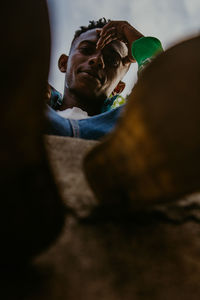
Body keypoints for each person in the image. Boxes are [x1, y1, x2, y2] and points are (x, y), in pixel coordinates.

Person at [45, 19, 163, 140]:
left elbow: (163, 84)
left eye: (112, 60)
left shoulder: (126, 126)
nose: (97, 60)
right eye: (86, 50)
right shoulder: (32, 103)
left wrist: (140, 44)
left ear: (118, 88)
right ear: (64, 63)